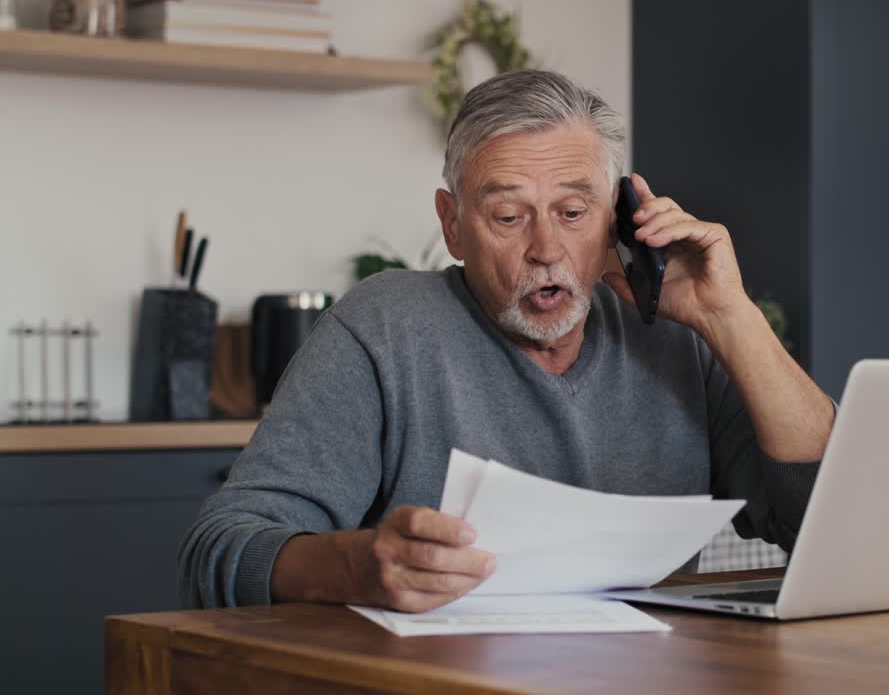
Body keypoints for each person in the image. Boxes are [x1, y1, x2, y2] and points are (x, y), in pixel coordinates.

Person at [179, 70, 835, 613]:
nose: (546, 249)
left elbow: (825, 526)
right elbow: (219, 550)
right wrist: (358, 566)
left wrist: (730, 317)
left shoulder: (675, 335)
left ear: (619, 219)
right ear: (453, 224)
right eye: (507, 216)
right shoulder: (384, 328)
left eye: (574, 213)